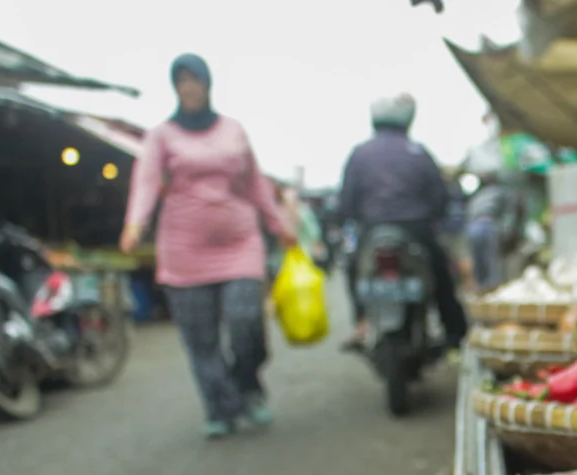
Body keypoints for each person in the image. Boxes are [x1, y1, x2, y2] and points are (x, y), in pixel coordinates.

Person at [120, 53, 297, 439]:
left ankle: (246, 386)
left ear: (207, 83)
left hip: (240, 243)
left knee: (246, 321)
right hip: (184, 252)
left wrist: (278, 223)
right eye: (180, 81)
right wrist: (135, 223)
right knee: (201, 341)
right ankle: (220, 408)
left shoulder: (233, 130)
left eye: (194, 79)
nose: (188, 87)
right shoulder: (162, 135)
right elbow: (146, 181)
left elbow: (255, 183)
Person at [337, 93, 469, 349]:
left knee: (353, 269)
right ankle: (454, 333)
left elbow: (346, 200)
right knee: (441, 275)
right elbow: (439, 196)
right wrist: (435, 217)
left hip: (372, 230)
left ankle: (361, 323)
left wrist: (347, 219)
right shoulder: (418, 152)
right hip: (417, 230)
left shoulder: (360, 153)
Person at [466, 173, 521, 292]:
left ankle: (481, 288)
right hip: (488, 224)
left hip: (472, 227)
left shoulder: (477, 196)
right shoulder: (500, 192)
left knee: (478, 259)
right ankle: (494, 289)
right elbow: (510, 213)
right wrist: (508, 231)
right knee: (492, 259)